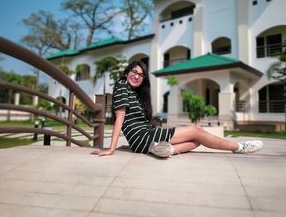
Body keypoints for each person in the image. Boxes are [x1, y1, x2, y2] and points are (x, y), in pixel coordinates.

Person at [91, 60, 263, 157]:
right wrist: (112, 148)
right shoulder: (122, 85)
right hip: (142, 137)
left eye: (141, 75)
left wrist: (130, 144)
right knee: (196, 130)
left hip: (142, 139)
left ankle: (164, 150)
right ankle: (239, 147)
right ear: (127, 72)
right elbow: (120, 116)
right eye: (134, 72)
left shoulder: (135, 93)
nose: (137, 76)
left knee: (196, 142)